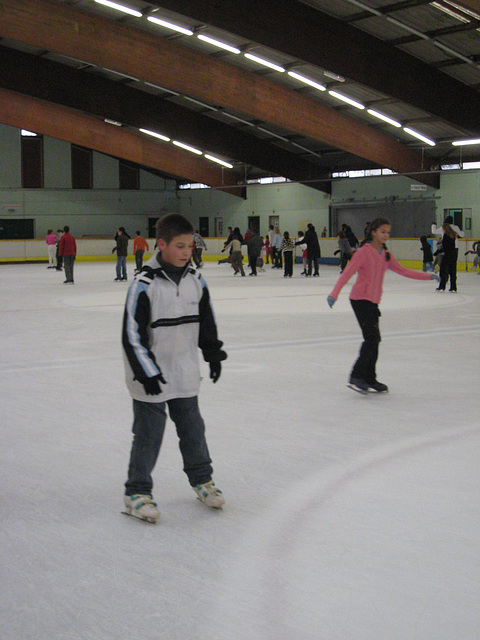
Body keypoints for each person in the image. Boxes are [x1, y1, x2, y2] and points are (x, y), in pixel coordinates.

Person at [122, 213, 227, 522]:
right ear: (162, 244)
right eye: (179, 246)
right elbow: (131, 334)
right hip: (149, 375)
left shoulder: (196, 279)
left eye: (190, 246)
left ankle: (202, 481)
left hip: (184, 371)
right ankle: (136, 492)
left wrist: (213, 353)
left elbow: (206, 322)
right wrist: (147, 372)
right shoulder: (145, 283)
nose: (186, 252)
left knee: (193, 429)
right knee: (148, 435)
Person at [327, 217, 439, 394]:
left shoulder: (386, 255)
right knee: (372, 338)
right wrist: (334, 294)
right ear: (373, 232)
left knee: (374, 340)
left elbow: (404, 271)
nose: (386, 235)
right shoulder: (363, 252)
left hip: (373, 302)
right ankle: (357, 375)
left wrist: (428, 276)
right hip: (359, 300)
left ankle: (369, 378)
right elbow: (347, 274)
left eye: (388, 232)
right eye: (382, 231)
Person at [431, 216, 464, 292]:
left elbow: (434, 231)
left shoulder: (444, 229)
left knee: (443, 268)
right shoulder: (455, 228)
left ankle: (442, 286)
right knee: (453, 268)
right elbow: (462, 234)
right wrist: (460, 231)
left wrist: (433, 225)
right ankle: (453, 287)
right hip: (455, 249)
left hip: (446, 250)